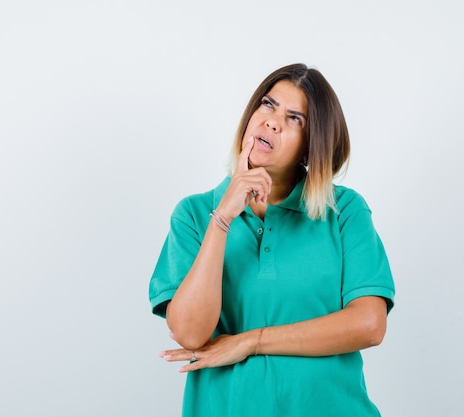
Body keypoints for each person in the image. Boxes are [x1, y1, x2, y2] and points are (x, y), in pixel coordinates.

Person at [148, 63, 396, 416]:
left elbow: (370, 325)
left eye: (295, 119)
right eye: (267, 104)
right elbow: (190, 333)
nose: (273, 121)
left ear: (313, 145)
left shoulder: (344, 212)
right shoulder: (193, 214)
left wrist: (250, 341)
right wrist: (223, 218)